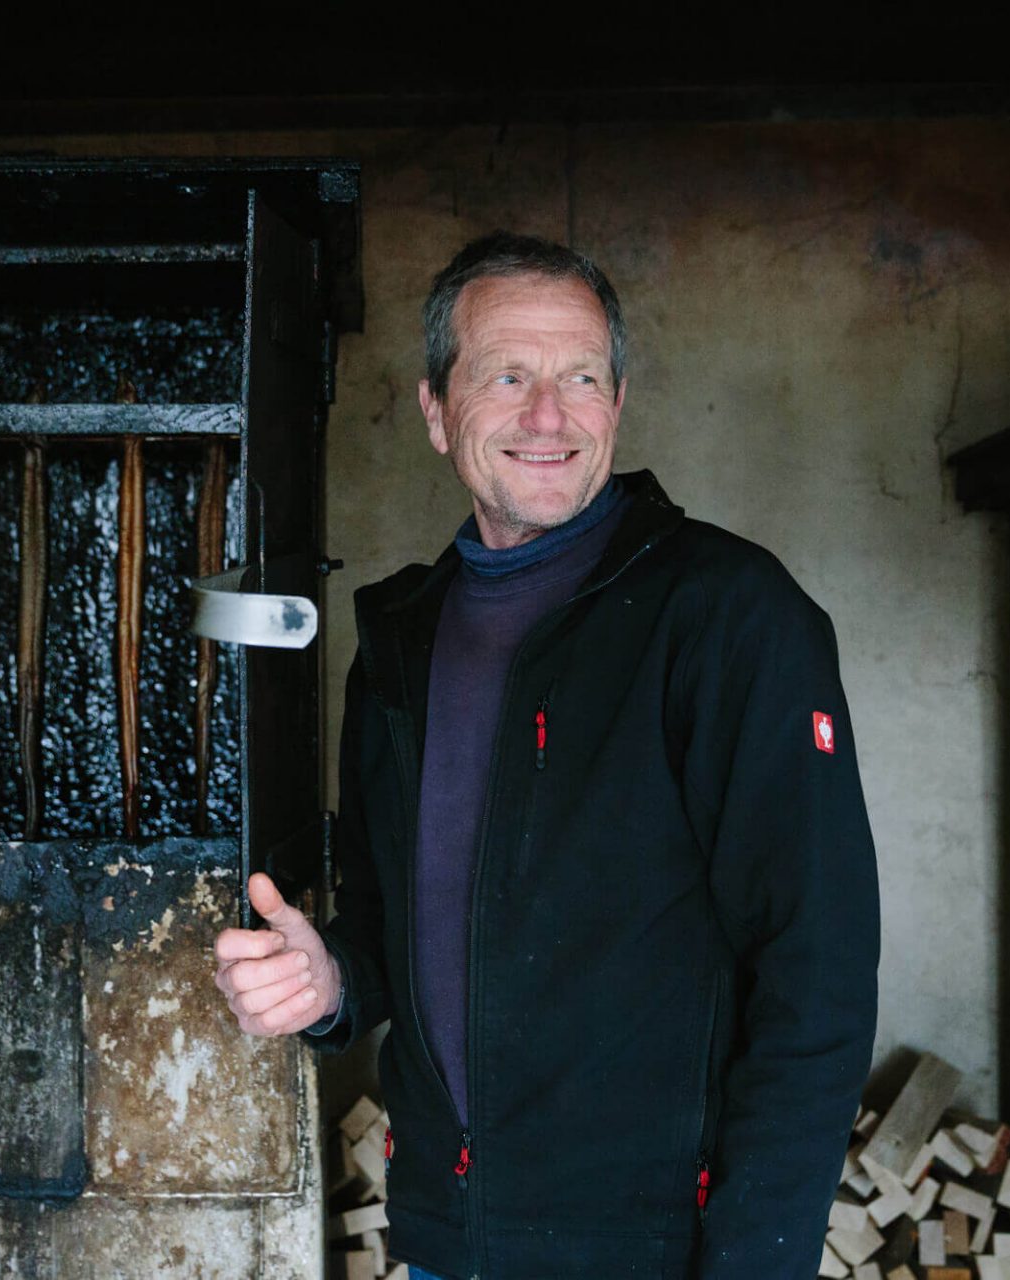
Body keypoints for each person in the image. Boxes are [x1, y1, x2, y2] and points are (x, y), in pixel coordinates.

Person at [213, 232, 880, 1279]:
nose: (548, 416)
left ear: (618, 402)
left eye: (581, 377)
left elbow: (818, 971)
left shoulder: (726, 616)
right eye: (507, 376)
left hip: (648, 1251)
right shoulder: (399, 643)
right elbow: (399, 922)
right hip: (447, 1241)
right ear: (436, 410)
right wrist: (329, 978)